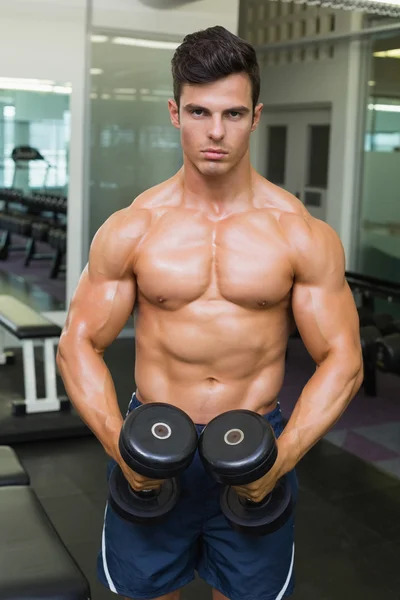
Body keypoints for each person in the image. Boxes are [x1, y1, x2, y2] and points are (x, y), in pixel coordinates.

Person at [57, 25, 363, 600]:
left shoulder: (297, 231)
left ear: (256, 115)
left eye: (233, 113)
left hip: (255, 445)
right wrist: (119, 448)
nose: (216, 132)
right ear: (175, 112)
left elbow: (343, 359)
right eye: (199, 112)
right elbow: (77, 342)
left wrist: (282, 458)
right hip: (152, 437)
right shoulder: (135, 226)